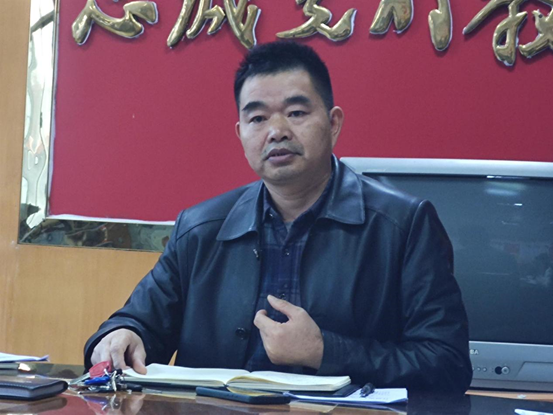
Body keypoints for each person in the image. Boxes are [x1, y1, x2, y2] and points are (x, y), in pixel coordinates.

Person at [84, 41, 472, 392]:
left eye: (296, 112)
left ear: (333, 123)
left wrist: (325, 351)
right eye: (258, 119)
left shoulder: (403, 224)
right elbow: (137, 322)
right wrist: (121, 335)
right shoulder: (201, 229)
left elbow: (448, 365)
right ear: (240, 134)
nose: (277, 131)